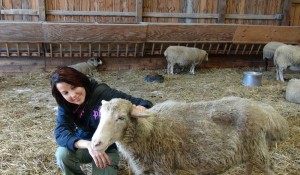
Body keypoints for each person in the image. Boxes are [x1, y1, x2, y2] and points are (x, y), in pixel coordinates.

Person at [50, 66, 153, 175]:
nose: (73, 95)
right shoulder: (65, 104)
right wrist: (88, 145)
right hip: (86, 144)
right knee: (62, 154)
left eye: (74, 87)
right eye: (65, 93)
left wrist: (141, 107)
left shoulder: (103, 93)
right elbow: (61, 131)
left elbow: (144, 103)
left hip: (107, 147)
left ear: (81, 81)